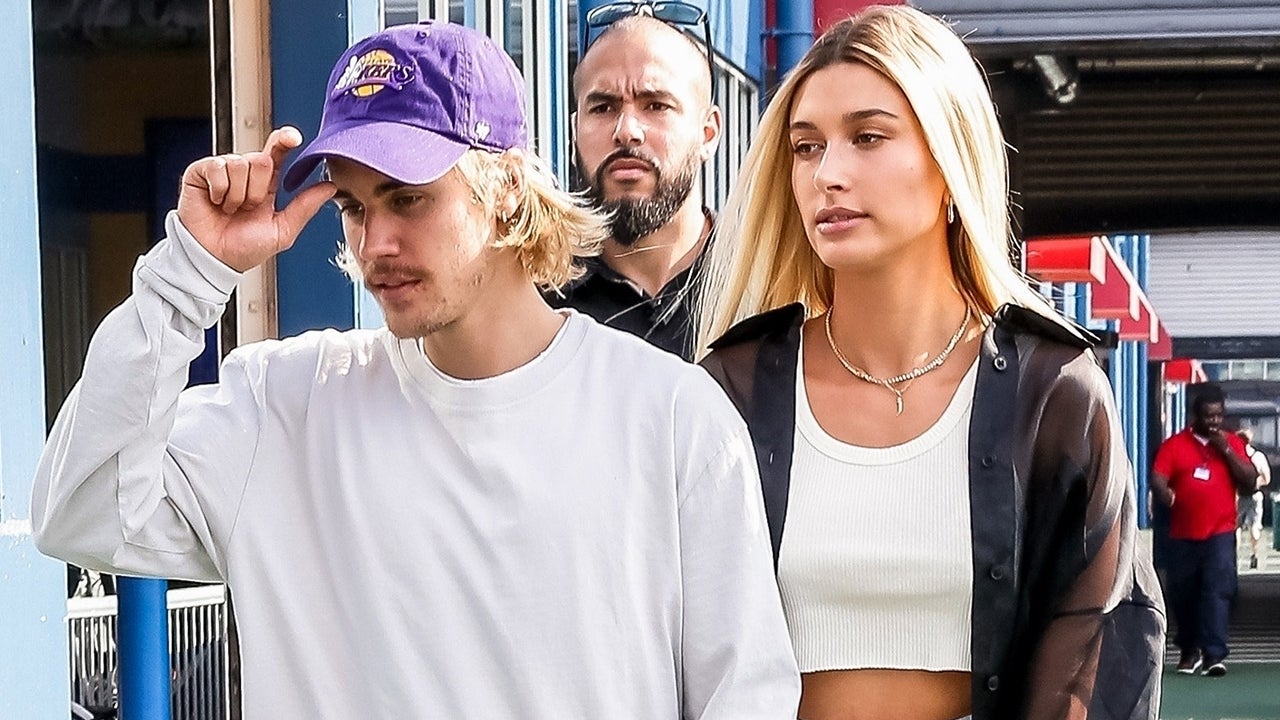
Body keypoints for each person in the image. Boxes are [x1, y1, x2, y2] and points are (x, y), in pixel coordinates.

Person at [31, 21, 800, 718]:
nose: (375, 244)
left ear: (506, 190)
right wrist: (188, 275)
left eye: (408, 199)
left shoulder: (670, 417)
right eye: (354, 207)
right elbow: (82, 510)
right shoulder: (282, 407)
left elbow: (746, 697)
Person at [694, 6, 1164, 719]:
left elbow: (1098, 645)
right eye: (807, 147)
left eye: (868, 137)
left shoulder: (1054, 394)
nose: (828, 174)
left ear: (949, 162)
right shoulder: (733, 387)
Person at [548, 3, 722, 359]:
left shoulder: (766, 286)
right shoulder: (535, 300)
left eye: (656, 105)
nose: (627, 131)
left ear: (708, 134)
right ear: (574, 132)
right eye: (603, 107)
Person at [1151, 384, 1259, 677]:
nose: (1214, 422)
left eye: (1219, 416)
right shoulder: (1175, 445)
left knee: (1216, 591)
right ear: (1195, 416)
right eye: (1208, 416)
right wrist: (1164, 493)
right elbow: (1158, 477)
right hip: (1183, 535)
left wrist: (1226, 450)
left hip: (1220, 533)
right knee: (1184, 594)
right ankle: (1189, 650)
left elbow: (1250, 481)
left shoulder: (1231, 443)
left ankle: (1214, 654)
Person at [1234, 428, 1271, 570]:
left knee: (1236, 528)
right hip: (1255, 495)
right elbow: (1267, 478)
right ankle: (1254, 554)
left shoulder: (1234, 456)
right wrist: (1256, 484)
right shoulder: (1258, 456)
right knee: (1254, 527)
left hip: (1238, 496)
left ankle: (1235, 557)